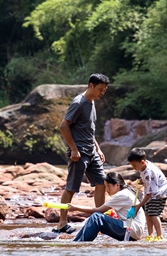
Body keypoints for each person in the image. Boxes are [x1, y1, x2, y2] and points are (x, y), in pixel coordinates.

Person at [54, 73, 110, 234]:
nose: (102, 93)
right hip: (79, 153)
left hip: (92, 152)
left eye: (104, 91)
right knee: (71, 187)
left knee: (101, 183)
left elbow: (89, 131)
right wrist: (73, 149)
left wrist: (98, 148)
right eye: (100, 89)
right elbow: (64, 126)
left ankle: (99, 220)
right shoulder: (79, 103)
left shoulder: (92, 103)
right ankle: (61, 224)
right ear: (91, 85)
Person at [65, 172, 146, 241]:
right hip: (134, 231)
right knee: (98, 217)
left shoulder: (121, 195)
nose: (106, 189)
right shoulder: (126, 192)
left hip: (132, 231)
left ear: (117, 185)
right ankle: (77, 241)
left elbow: (99, 210)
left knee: (96, 217)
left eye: (108, 186)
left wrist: (75, 207)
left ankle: (79, 243)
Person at [127, 148, 167, 241]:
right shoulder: (144, 166)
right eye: (132, 165)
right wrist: (141, 182)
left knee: (153, 214)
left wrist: (139, 205)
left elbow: (149, 193)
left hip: (159, 193)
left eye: (135, 165)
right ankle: (150, 234)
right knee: (147, 214)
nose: (134, 168)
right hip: (152, 192)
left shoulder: (148, 172)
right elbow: (148, 182)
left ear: (142, 162)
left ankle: (160, 235)